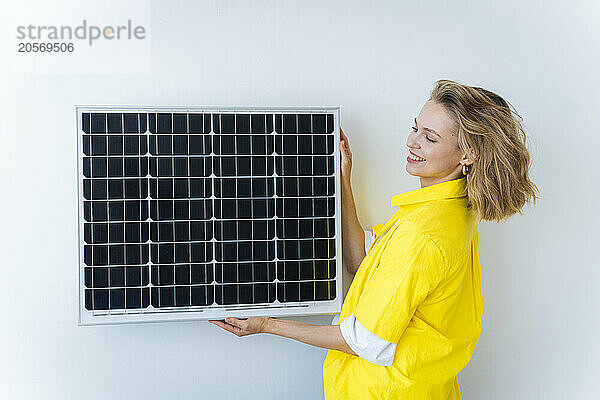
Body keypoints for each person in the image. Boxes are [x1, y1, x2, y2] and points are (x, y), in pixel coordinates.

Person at [209, 79, 539, 399]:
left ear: (468, 154)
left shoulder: (423, 234)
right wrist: (344, 182)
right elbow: (363, 262)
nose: (412, 142)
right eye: (415, 128)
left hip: (386, 392)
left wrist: (266, 324)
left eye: (431, 138)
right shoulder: (449, 210)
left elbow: (364, 340)